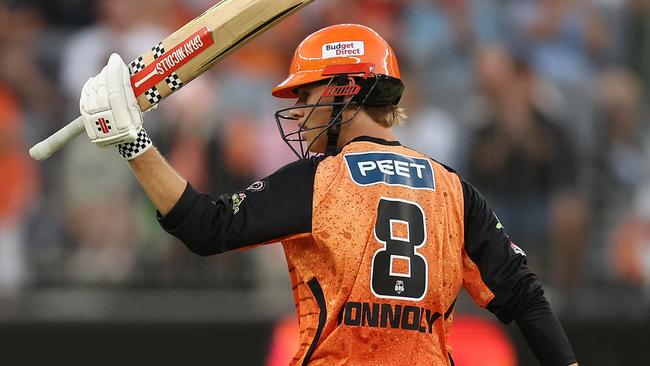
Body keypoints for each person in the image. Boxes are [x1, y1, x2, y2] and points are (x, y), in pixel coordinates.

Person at [77, 24, 577, 365]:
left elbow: (207, 227)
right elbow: (526, 299)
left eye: (306, 94)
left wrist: (134, 145)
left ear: (345, 91)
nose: (297, 111)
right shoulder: (454, 189)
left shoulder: (320, 179)